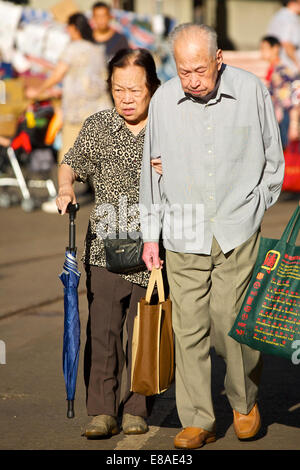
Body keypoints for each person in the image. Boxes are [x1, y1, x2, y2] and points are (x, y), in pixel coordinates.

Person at [140, 23, 285, 449]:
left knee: (229, 322)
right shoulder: (165, 99)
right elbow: (151, 175)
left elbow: (273, 163)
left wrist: (255, 204)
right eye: (184, 71)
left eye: (200, 70)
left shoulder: (252, 91)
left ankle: (243, 402)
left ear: (219, 60)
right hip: (182, 228)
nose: (192, 81)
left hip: (236, 225)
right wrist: (152, 235)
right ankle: (198, 418)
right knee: (188, 329)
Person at [56, 48, 161, 439]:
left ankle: (136, 407)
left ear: (152, 87)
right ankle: (102, 411)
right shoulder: (99, 125)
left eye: (135, 89)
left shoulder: (167, 126)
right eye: (118, 89)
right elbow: (72, 161)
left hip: (154, 249)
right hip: (105, 247)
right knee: (102, 331)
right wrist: (66, 186)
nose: (126, 98)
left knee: (144, 333)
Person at [260, 35, 300, 148]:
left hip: (284, 118)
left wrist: (293, 125)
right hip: (279, 117)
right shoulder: (274, 69)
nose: (262, 52)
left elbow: (292, 100)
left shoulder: (282, 71)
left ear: (275, 48)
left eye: (264, 48)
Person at [267, 0, 300, 73]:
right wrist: (298, 64)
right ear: (292, 2)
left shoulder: (279, 15)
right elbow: (286, 43)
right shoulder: (289, 18)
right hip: (289, 66)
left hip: (281, 65)